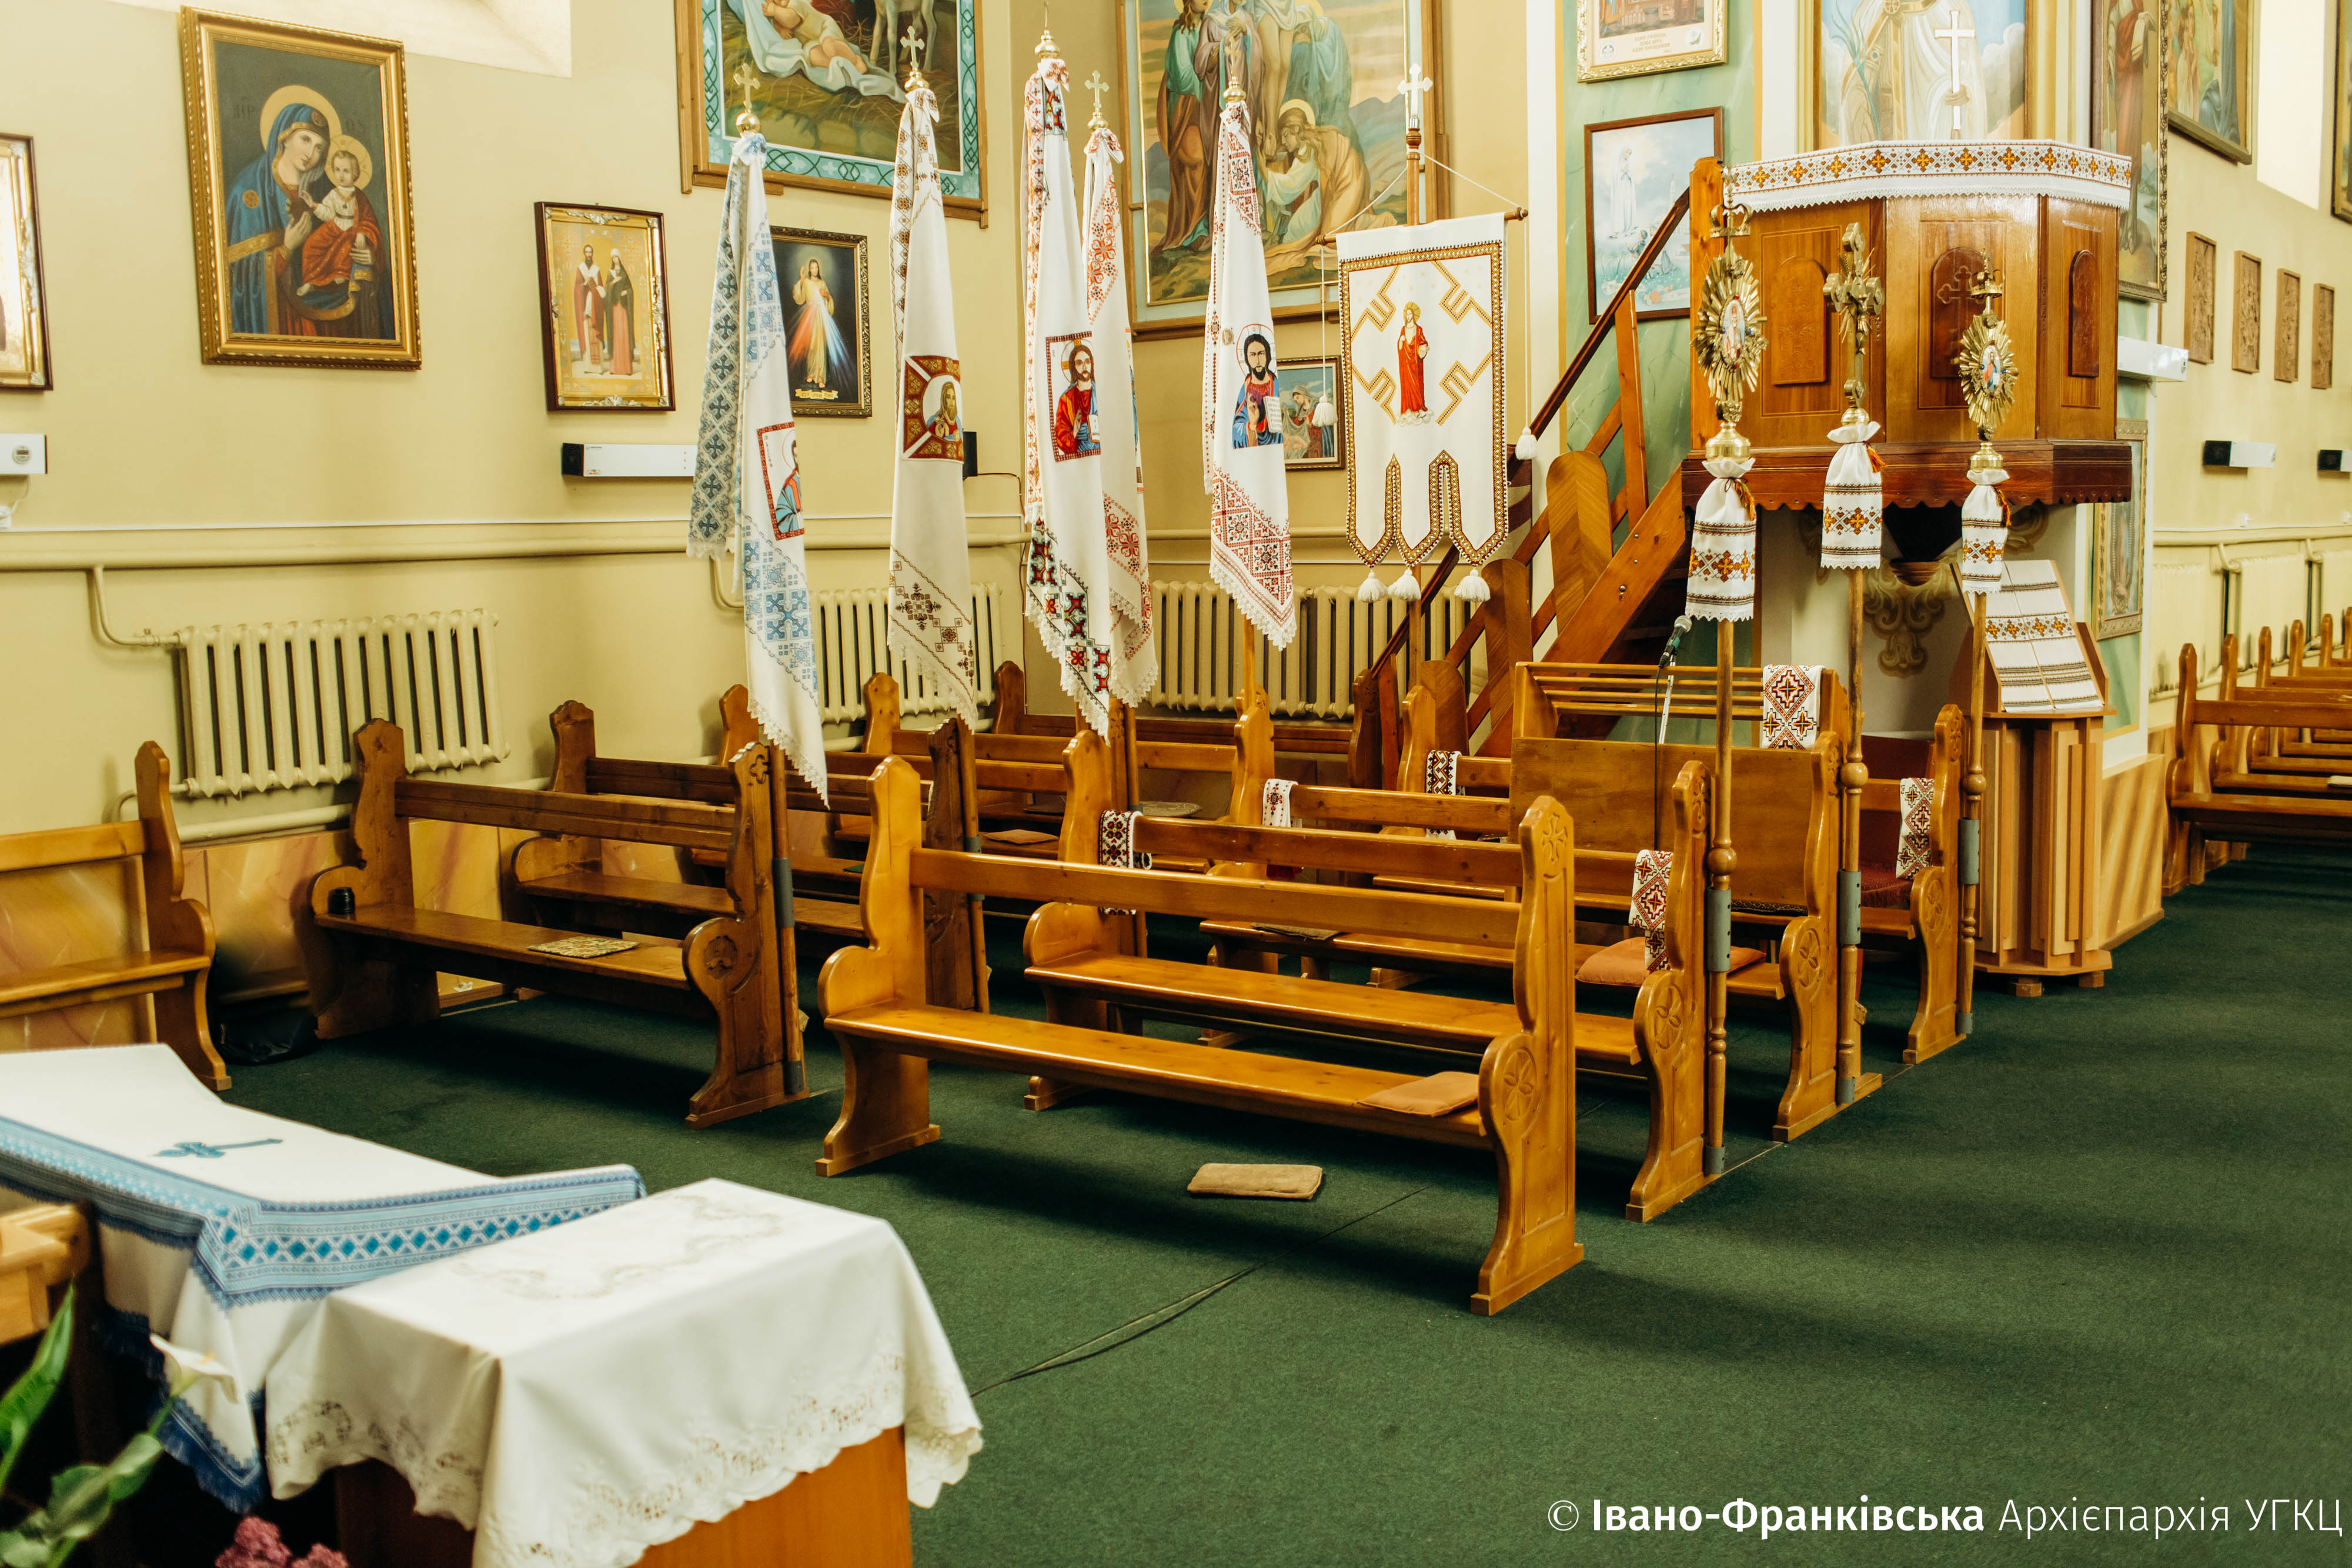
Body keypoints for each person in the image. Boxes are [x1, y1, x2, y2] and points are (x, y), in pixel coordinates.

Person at [221, 100, 332, 336]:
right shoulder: (247, 191)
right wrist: (286, 249)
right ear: (285, 137)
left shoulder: (320, 194)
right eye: (305, 140)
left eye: (319, 148)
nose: (311, 154)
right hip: (269, 315)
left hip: (306, 314)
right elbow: (235, 275)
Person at [293, 138, 382, 339]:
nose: (341, 175)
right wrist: (314, 206)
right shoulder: (333, 194)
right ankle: (311, 281)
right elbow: (327, 213)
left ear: (355, 174)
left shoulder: (360, 197)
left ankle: (340, 275)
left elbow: (367, 219)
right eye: (337, 170)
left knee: (344, 250)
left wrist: (362, 232)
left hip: (351, 231)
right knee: (311, 246)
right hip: (334, 227)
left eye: (346, 171)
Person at [1154, 0, 1217, 256]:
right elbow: (1182, 76)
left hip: (1208, 108)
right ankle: (1191, 230)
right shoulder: (1181, 32)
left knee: (1212, 162)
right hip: (1187, 108)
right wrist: (1207, 88)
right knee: (1195, 160)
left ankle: (1207, 227)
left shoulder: (1211, 27)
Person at [789, 257, 854, 395]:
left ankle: (821, 377)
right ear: (809, 269)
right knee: (811, 347)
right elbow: (800, 299)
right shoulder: (807, 282)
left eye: (816, 267)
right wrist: (801, 280)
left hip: (821, 317)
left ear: (818, 269)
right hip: (810, 317)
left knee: (821, 346)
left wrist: (828, 297)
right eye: (812, 268)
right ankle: (811, 374)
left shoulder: (822, 283)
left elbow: (829, 300)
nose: (815, 270)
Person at [1231, 332, 1281, 447]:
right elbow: (1236, 429)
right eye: (1253, 355)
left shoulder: (1276, 385)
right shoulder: (1245, 390)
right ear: (1247, 359)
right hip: (1253, 448)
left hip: (1275, 447)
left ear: (1267, 356)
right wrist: (1252, 424)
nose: (1258, 360)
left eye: (1261, 354)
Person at [1054, 342, 1100, 459]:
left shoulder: (1101, 391)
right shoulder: (1067, 399)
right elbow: (1060, 434)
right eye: (1079, 363)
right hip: (1079, 456)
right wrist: (1074, 431)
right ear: (1074, 367)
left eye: (1087, 362)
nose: (1084, 367)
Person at [602, 248, 635, 375]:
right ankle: (615, 368)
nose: (615, 259)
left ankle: (627, 369)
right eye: (613, 257)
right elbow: (606, 289)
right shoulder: (610, 273)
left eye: (617, 257)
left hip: (623, 309)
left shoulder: (624, 272)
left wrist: (627, 292)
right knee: (616, 335)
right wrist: (613, 283)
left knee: (624, 334)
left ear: (619, 258)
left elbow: (630, 289)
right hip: (615, 309)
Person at [572, 245, 603, 368]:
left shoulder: (596, 269)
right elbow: (577, 288)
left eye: (590, 252)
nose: (589, 255)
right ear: (584, 254)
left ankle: (598, 366)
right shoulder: (581, 269)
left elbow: (601, 287)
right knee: (586, 332)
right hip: (585, 306)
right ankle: (589, 365)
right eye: (587, 252)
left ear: (592, 254)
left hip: (595, 303)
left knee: (595, 333)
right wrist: (584, 285)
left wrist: (596, 289)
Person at [1396, 303, 1428, 421]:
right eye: (1407, 314)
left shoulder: (1419, 330)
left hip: (1415, 362)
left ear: (1413, 316)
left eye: (1410, 314)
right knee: (1407, 385)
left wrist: (1424, 348)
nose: (1409, 316)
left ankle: (1418, 408)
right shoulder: (1403, 329)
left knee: (1416, 385)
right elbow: (1400, 347)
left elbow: (1423, 343)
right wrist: (1401, 340)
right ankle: (1408, 408)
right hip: (1406, 362)